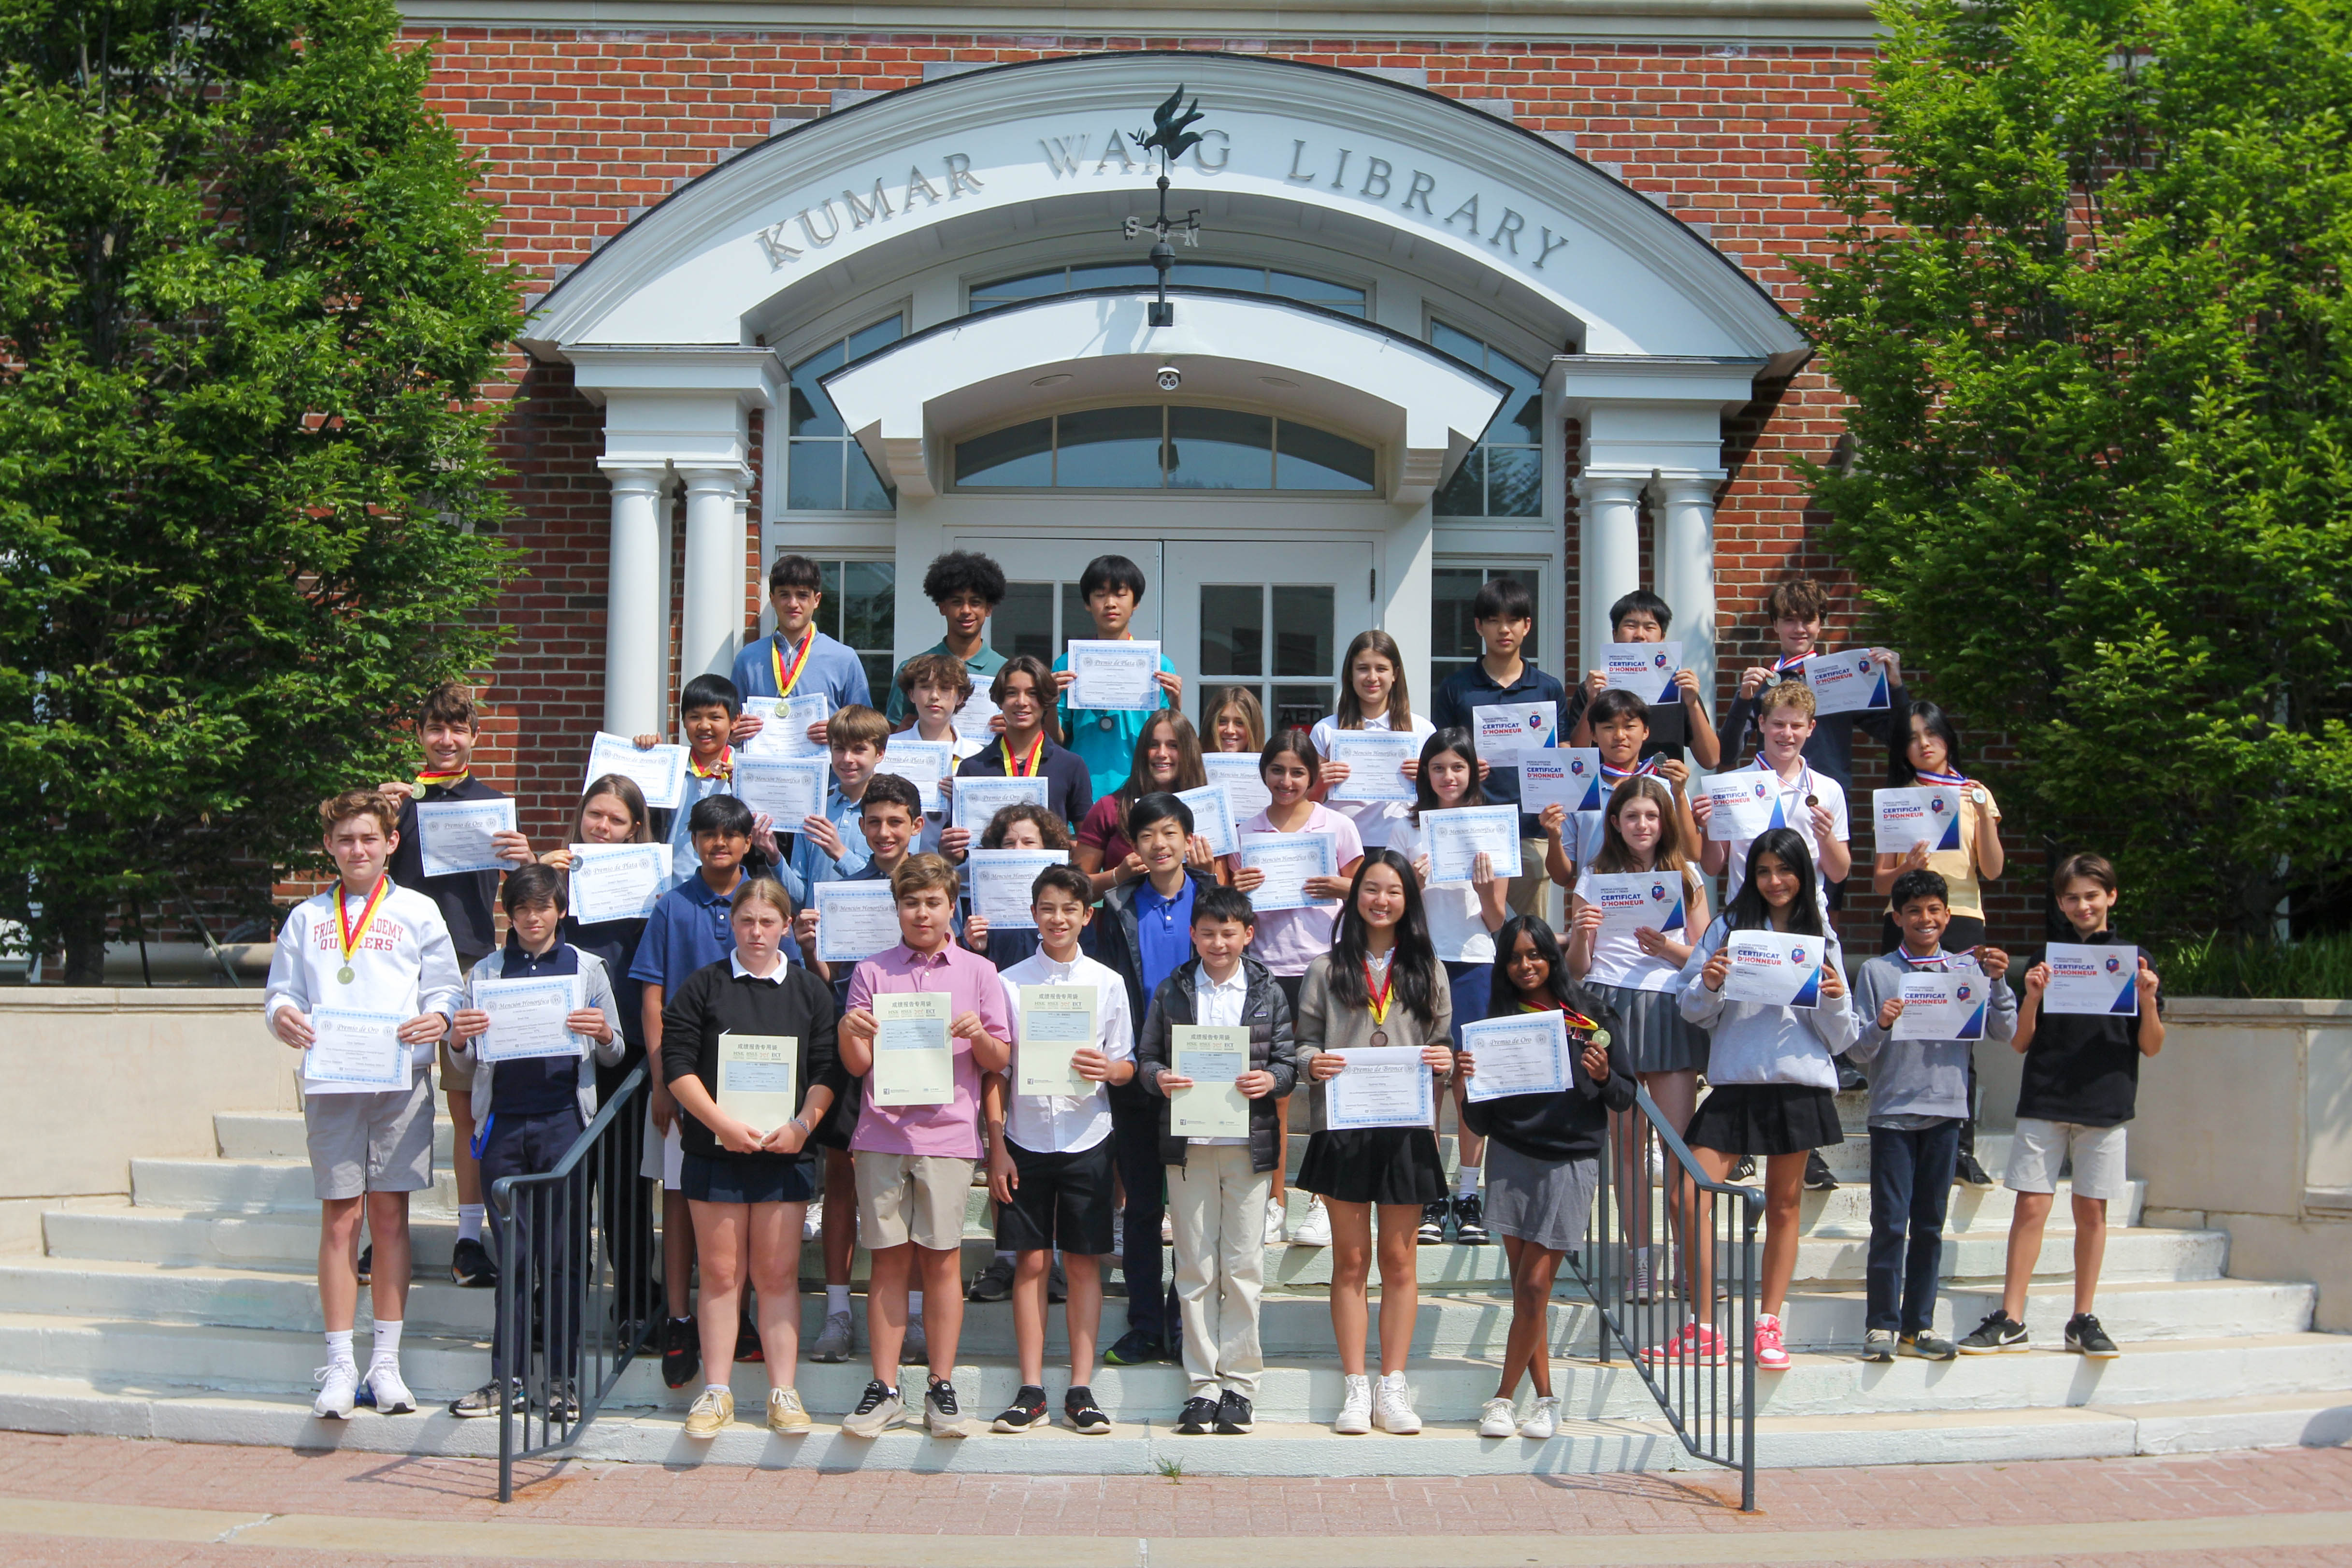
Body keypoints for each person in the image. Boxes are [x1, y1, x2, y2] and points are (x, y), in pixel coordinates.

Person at [264, 790, 462, 1419]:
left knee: (390, 1219)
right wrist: (284, 1017)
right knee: (340, 1219)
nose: (358, 849)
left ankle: (386, 1364)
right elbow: (281, 994)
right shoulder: (306, 919)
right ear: (329, 846)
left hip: (400, 1079)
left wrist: (437, 1018)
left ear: (391, 844)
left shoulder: (418, 911)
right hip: (333, 1083)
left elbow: (447, 988)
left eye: (369, 839)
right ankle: (340, 1363)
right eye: (346, 839)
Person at [1664, 828, 1857, 1371]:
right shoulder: (1728, 927)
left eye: (1785, 870)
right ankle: (1703, 1325)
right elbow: (1692, 1009)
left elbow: (1842, 1037)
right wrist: (1708, 982)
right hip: (1735, 1080)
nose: (1774, 881)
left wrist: (1835, 999)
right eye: (1765, 870)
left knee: (1784, 1204)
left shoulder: (1820, 934)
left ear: (1803, 873)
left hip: (1797, 1083)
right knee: (1687, 1195)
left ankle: (1768, 1323)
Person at [657, 876, 844, 1437]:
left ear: (787, 926)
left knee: (777, 1273)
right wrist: (720, 1124)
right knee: (718, 1273)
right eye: (746, 921)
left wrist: (801, 1125)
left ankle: (782, 1392)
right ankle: (716, 1393)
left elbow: (826, 1069)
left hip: (784, 1154)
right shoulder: (703, 986)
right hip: (714, 1153)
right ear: (731, 925)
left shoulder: (811, 991)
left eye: (768, 922)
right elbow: (677, 1064)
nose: (757, 931)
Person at [836, 854, 1015, 1439]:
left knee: (941, 1260)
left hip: (948, 1135)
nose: (921, 912)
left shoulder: (979, 972)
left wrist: (979, 1036)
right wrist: (850, 1033)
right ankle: (884, 1388)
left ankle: (941, 1386)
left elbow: (1000, 1061)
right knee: (887, 1259)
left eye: (932, 902)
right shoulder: (871, 971)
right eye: (910, 902)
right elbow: (858, 1066)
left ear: (950, 908)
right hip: (883, 1132)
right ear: (897, 909)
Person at [1960, 853, 2166, 1359]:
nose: (2082, 904)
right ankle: (2011, 1316)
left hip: (2106, 1099)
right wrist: (2030, 995)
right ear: (2060, 902)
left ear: (2110, 897)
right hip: (2045, 1095)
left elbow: (2152, 1045)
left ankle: (2082, 1316)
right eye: (2071, 896)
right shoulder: (2043, 960)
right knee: (2029, 1204)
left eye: (2091, 895)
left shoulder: (2135, 960)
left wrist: (2148, 999)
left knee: (2090, 1210)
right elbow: (2020, 1042)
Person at [444, 864, 625, 1421]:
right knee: (515, 1257)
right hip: (503, 1123)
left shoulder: (587, 969)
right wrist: (456, 1039)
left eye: (542, 907)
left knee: (567, 1257)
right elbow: (467, 1058)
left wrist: (600, 1033)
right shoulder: (487, 971)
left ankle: (562, 1382)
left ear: (560, 910)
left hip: (563, 1121)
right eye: (521, 908)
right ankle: (510, 1378)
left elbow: (616, 1050)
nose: (532, 918)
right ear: (509, 914)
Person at [377, 682, 533, 1291]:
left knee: (467, 1107)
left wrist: (523, 861)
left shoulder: (493, 804)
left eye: (458, 728)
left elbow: (529, 899)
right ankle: (383, 1230)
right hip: (398, 969)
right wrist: (380, 808)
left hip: (468, 964)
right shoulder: (395, 806)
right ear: (419, 734)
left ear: (475, 736)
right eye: (435, 728)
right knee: (388, 1100)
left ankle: (470, 1237)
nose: (447, 740)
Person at [1295, 850, 1456, 1436]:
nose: (1380, 899)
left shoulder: (1427, 968)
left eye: (1392, 890)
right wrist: (1314, 1064)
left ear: (1408, 899)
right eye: (1370, 888)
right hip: (1343, 1126)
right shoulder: (1324, 968)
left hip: (1404, 1130)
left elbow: (1440, 1045)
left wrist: (1443, 1060)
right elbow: (1301, 1046)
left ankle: (1392, 1383)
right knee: (1351, 1260)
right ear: (1354, 895)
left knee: (1397, 1260)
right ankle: (1354, 1385)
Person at [1461, 915, 1634, 1440]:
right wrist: (1468, 1085)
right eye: (1514, 957)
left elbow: (1624, 1095)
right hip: (1512, 1155)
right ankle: (1547, 1398)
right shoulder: (1495, 1022)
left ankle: (1501, 1396)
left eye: (1534, 954)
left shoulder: (1591, 1016)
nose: (1525, 965)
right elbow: (1479, 1121)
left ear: (1552, 957)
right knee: (1524, 1292)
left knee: (1536, 1284)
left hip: (1570, 1159)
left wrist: (1603, 1073)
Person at [1136, 883, 1298, 1437]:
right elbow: (1146, 1058)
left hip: (1247, 1142)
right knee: (1195, 1267)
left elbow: (1287, 1063)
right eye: (1207, 932)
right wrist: (1158, 1077)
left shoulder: (1268, 990)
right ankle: (1202, 1384)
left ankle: (1240, 1384)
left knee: (1243, 1266)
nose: (1217, 941)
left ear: (1247, 934)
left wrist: (1269, 1079)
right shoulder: (1172, 989)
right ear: (1193, 935)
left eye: (1228, 931)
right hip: (1187, 1145)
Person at [982, 865, 1136, 1435]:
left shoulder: (1106, 981)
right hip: (1023, 1138)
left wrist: (1110, 1067)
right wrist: (995, 1145)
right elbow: (995, 1072)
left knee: (1082, 1262)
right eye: (1047, 908)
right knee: (1029, 1261)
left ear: (1086, 916)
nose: (1058, 918)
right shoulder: (1008, 981)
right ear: (1032, 915)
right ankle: (1030, 1388)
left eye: (1069, 909)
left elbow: (1125, 1064)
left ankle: (1079, 1386)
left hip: (1087, 1137)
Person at [1847, 869, 2015, 1362]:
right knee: (1889, 1223)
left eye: (1934, 909)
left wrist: (1999, 981)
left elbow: (2003, 1030)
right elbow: (1857, 1050)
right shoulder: (1878, 972)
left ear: (1947, 915)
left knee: (1928, 1223)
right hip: (1893, 1112)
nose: (1925, 918)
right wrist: (1881, 1021)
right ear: (1897, 917)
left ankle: (1916, 1326)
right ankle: (1880, 1324)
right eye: (1914, 910)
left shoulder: (1967, 970)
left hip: (1945, 1111)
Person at [630, 793, 762, 1390]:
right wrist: (661, 1081)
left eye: (731, 835)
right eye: (708, 834)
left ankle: (740, 1314)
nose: (719, 844)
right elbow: (652, 997)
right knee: (682, 1199)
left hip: (755, 1077)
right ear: (694, 839)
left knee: (750, 1201)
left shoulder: (761, 900)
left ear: (745, 842)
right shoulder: (672, 906)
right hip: (688, 1080)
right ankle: (681, 1315)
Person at [790, 770, 922, 1366]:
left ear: (917, 826)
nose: (885, 831)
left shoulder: (937, 890)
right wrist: (814, 952)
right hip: (855, 1049)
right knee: (841, 1177)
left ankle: (914, 1317)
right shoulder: (846, 891)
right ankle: (839, 1311)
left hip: (921, 1048)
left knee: (920, 1181)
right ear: (860, 827)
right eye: (874, 821)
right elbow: (829, 986)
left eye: (896, 821)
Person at [1564, 774, 1710, 1299]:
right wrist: (1582, 931)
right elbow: (1578, 967)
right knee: (1626, 1148)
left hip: (1668, 1005)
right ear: (1615, 823)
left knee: (1674, 1144)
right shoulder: (1593, 876)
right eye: (1631, 816)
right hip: (1610, 1006)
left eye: (1651, 816)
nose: (1642, 825)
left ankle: (1685, 1263)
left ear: (1663, 821)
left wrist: (1664, 950)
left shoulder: (1685, 874)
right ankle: (1640, 1265)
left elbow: (1704, 955)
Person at [1225, 728, 1364, 1251]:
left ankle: (1322, 1203)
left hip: (1326, 970)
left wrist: (1339, 886)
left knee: (1328, 1088)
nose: (1286, 781)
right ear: (1263, 773)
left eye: (1297, 772)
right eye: (1277, 770)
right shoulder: (1246, 830)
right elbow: (1233, 907)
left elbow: (1366, 891)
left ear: (1313, 777)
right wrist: (1235, 889)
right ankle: (1274, 1202)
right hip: (1265, 972)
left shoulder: (1339, 826)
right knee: (1275, 1095)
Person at [1090, 792, 1217, 1363]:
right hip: (1139, 1075)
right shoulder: (1118, 905)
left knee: (1194, 1211)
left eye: (1169, 832)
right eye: (1146, 836)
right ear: (1133, 846)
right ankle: (1144, 1323)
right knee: (1142, 1206)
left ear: (1187, 838)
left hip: (1203, 1074)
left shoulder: (1214, 897)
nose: (1159, 844)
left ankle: (1186, 1322)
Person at [540, 776, 661, 1333]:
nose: (603, 828)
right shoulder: (557, 881)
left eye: (615, 820)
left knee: (623, 1188)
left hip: (626, 1052)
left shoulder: (651, 882)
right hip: (560, 1051)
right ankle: (555, 1307)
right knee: (563, 1188)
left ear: (636, 826)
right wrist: (544, 878)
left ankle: (634, 1302)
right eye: (595, 816)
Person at [1871, 701, 2007, 1187]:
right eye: (1912, 737)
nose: (1923, 743)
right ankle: (1896, 1128)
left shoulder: (1974, 793)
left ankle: (1960, 1147)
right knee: (1904, 1029)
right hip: (1905, 919)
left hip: (1963, 919)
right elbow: (1878, 883)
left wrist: (1981, 812)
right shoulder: (1898, 798)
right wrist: (1906, 865)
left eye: (1931, 733)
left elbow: (1990, 870)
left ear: (1948, 737)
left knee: (1960, 1032)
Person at [1386, 728, 1511, 1247]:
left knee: (1468, 1077)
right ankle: (1430, 1192)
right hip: (1419, 959)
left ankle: (1467, 1190)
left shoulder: (1490, 826)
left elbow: (1497, 918)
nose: (1448, 776)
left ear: (1472, 771)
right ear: (1424, 773)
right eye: (1438, 767)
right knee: (1426, 1077)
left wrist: (1485, 889)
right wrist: (1409, 884)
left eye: (1457, 767)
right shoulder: (1404, 826)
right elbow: (1387, 907)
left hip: (1473, 961)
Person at [1430, 575, 1568, 918]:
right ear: (1479, 626)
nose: (1503, 629)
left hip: (1530, 831)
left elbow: (1563, 753)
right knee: (1468, 930)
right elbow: (1439, 757)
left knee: (1527, 942)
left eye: (1513, 620)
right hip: (1471, 827)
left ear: (1527, 626)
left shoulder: (1548, 689)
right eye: (1493, 620)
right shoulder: (1456, 688)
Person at [1720, 575, 1911, 809]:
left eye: (1808, 620)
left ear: (1820, 624)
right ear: (1775, 624)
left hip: (1829, 802)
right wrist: (1744, 699)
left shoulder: (1844, 678)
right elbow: (1727, 755)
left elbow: (1898, 738)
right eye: (1790, 620)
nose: (1799, 629)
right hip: (1770, 802)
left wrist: (1897, 686)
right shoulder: (1763, 683)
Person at [1051, 553, 1181, 800]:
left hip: (1142, 790)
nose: (1110, 603)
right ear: (1088, 603)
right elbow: (1058, 739)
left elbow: (1170, 741)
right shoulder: (1067, 664)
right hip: (1081, 790)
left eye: (1120, 594)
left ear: (1136, 603)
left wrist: (1176, 706)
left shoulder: (1159, 665)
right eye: (1100, 595)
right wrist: (1049, 703)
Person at [1563, 589, 1723, 770]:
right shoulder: (1594, 688)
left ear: (1662, 637)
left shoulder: (1678, 689)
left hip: (1663, 792)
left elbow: (1711, 759)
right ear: (1615, 634)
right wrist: (1592, 703)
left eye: (1650, 627)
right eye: (1630, 626)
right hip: (1607, 792)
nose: (1640, 635)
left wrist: (1692, 704)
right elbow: (1575, 759)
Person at [730, 552, 874, 750]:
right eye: (784, 595)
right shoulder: (748, 658)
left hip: (827, 779)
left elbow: (867, 727)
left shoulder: (843, 658)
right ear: (772, 599)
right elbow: (729, 726)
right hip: (763, 778)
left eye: (802, 595)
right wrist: (734, 734)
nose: (793, 603)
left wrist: (839, 732)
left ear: (816, 600)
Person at [1310, 629, 1436, 853]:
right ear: (1350, 674)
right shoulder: (1326, 730)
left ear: (1395, 674)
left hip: (1401, 843)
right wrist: (1322, 782)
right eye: (1362, 669)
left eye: (1381, 669)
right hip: (1341, 844)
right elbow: (1307, 805)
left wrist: (1427, 779)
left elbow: (1440, 799)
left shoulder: (1422, 730)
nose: (1372, 677)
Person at [1074, 711, 1214, 897]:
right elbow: (1075, 888)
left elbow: (1223, 900)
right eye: (1153, 745)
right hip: (1123, 925)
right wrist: (1118, 876)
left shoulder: (1209, 808)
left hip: (1190, 924)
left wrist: (1206, 875)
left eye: (1173, 746)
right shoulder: (1109, 808)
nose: (1162, 754)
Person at [951, 655, 1092, 834]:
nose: (1022, 702)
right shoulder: (972, 768)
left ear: (1046, 700)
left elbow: (1087, 841)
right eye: (1011, 693)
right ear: (999, 700)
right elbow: (961, 850)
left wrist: (1065, 848)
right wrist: (951, 850)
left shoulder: (1071, 765)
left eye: (1032, 694)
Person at [887, 550, 1007, 727]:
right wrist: (902, 734)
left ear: (988, 609)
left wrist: (1013, 730)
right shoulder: (911, 669)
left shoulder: (1007, 671)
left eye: (975, 602)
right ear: (942, 608)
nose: (966, 611)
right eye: (957, 602)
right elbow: (891, 734)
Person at [891, 651, 990, 855]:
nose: (935, 696)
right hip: (900, 863)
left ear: (960, 697)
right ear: (911, 694)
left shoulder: (979, 757)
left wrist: (966, 798)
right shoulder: (890, 749)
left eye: (945, 689)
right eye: (925, 687)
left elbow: (988, 820)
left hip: (958, 872)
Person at [785, 702, 888, 895]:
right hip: (818, 925)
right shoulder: (815, 806)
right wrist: (774, 856)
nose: (847, 758)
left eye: (859, 750)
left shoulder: (895, 810)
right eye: (839, 748)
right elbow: (801, 896)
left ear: (880, 753)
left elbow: (895, 885)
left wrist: (840, 852)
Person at [959, 803, 1072, 974]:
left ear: (1046, 846)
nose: (1018, 849)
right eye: (1009, 843)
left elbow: (1086, 948)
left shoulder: (1069, 891)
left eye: (1029, 842)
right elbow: (969, 964)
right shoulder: (981, 899)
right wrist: (978, 948)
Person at [1205, 686, 1267, 757]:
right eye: (1222, 721)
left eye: (1240, 723)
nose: (1230, 731)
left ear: (1254, 729)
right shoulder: (1193, 766)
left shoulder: (1269, 766)